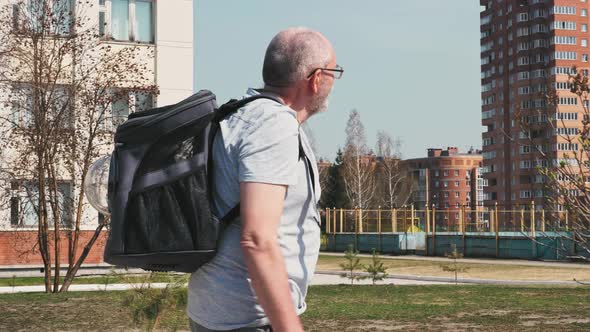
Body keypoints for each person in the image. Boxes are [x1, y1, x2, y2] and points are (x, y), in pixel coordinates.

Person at [187, 27, 342, 332]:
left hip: (218, 309)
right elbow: (257, 239)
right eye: (334, 72)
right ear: (316, 78)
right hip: (248, 318)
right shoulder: (273, 126)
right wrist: (289, 327)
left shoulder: (240, 115)